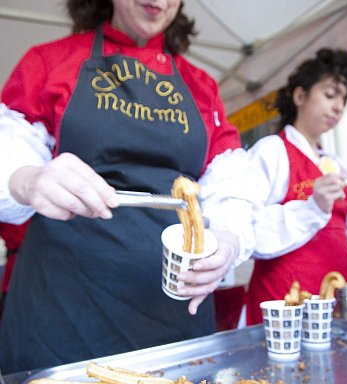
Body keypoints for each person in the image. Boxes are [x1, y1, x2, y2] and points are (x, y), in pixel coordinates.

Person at [0, 0, 247, 373]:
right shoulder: (50, 62)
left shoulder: (203, 87)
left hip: (173, 314)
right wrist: (29, 179)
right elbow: (10, 149)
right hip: (63, 308)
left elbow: (230, 186)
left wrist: (229, 241)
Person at [243, 48, 347, 325]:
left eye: (343, 98)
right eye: (330, 95)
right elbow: (248, 230)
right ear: (300, 96)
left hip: (343, 305)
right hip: (287, 304)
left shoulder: (340, 166)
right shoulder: (272, 151)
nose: (338, 107)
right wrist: (311, 207)